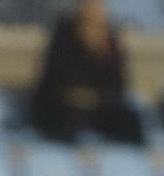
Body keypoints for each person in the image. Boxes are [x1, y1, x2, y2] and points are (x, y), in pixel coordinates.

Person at [29, 0, 141, 145]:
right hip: (63, 104)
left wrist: (98, 97)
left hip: (99, 108)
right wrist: (78, 95)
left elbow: (119, 81)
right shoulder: (63, 32)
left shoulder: (109, 39)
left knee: (130, 121)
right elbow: (55, 74)